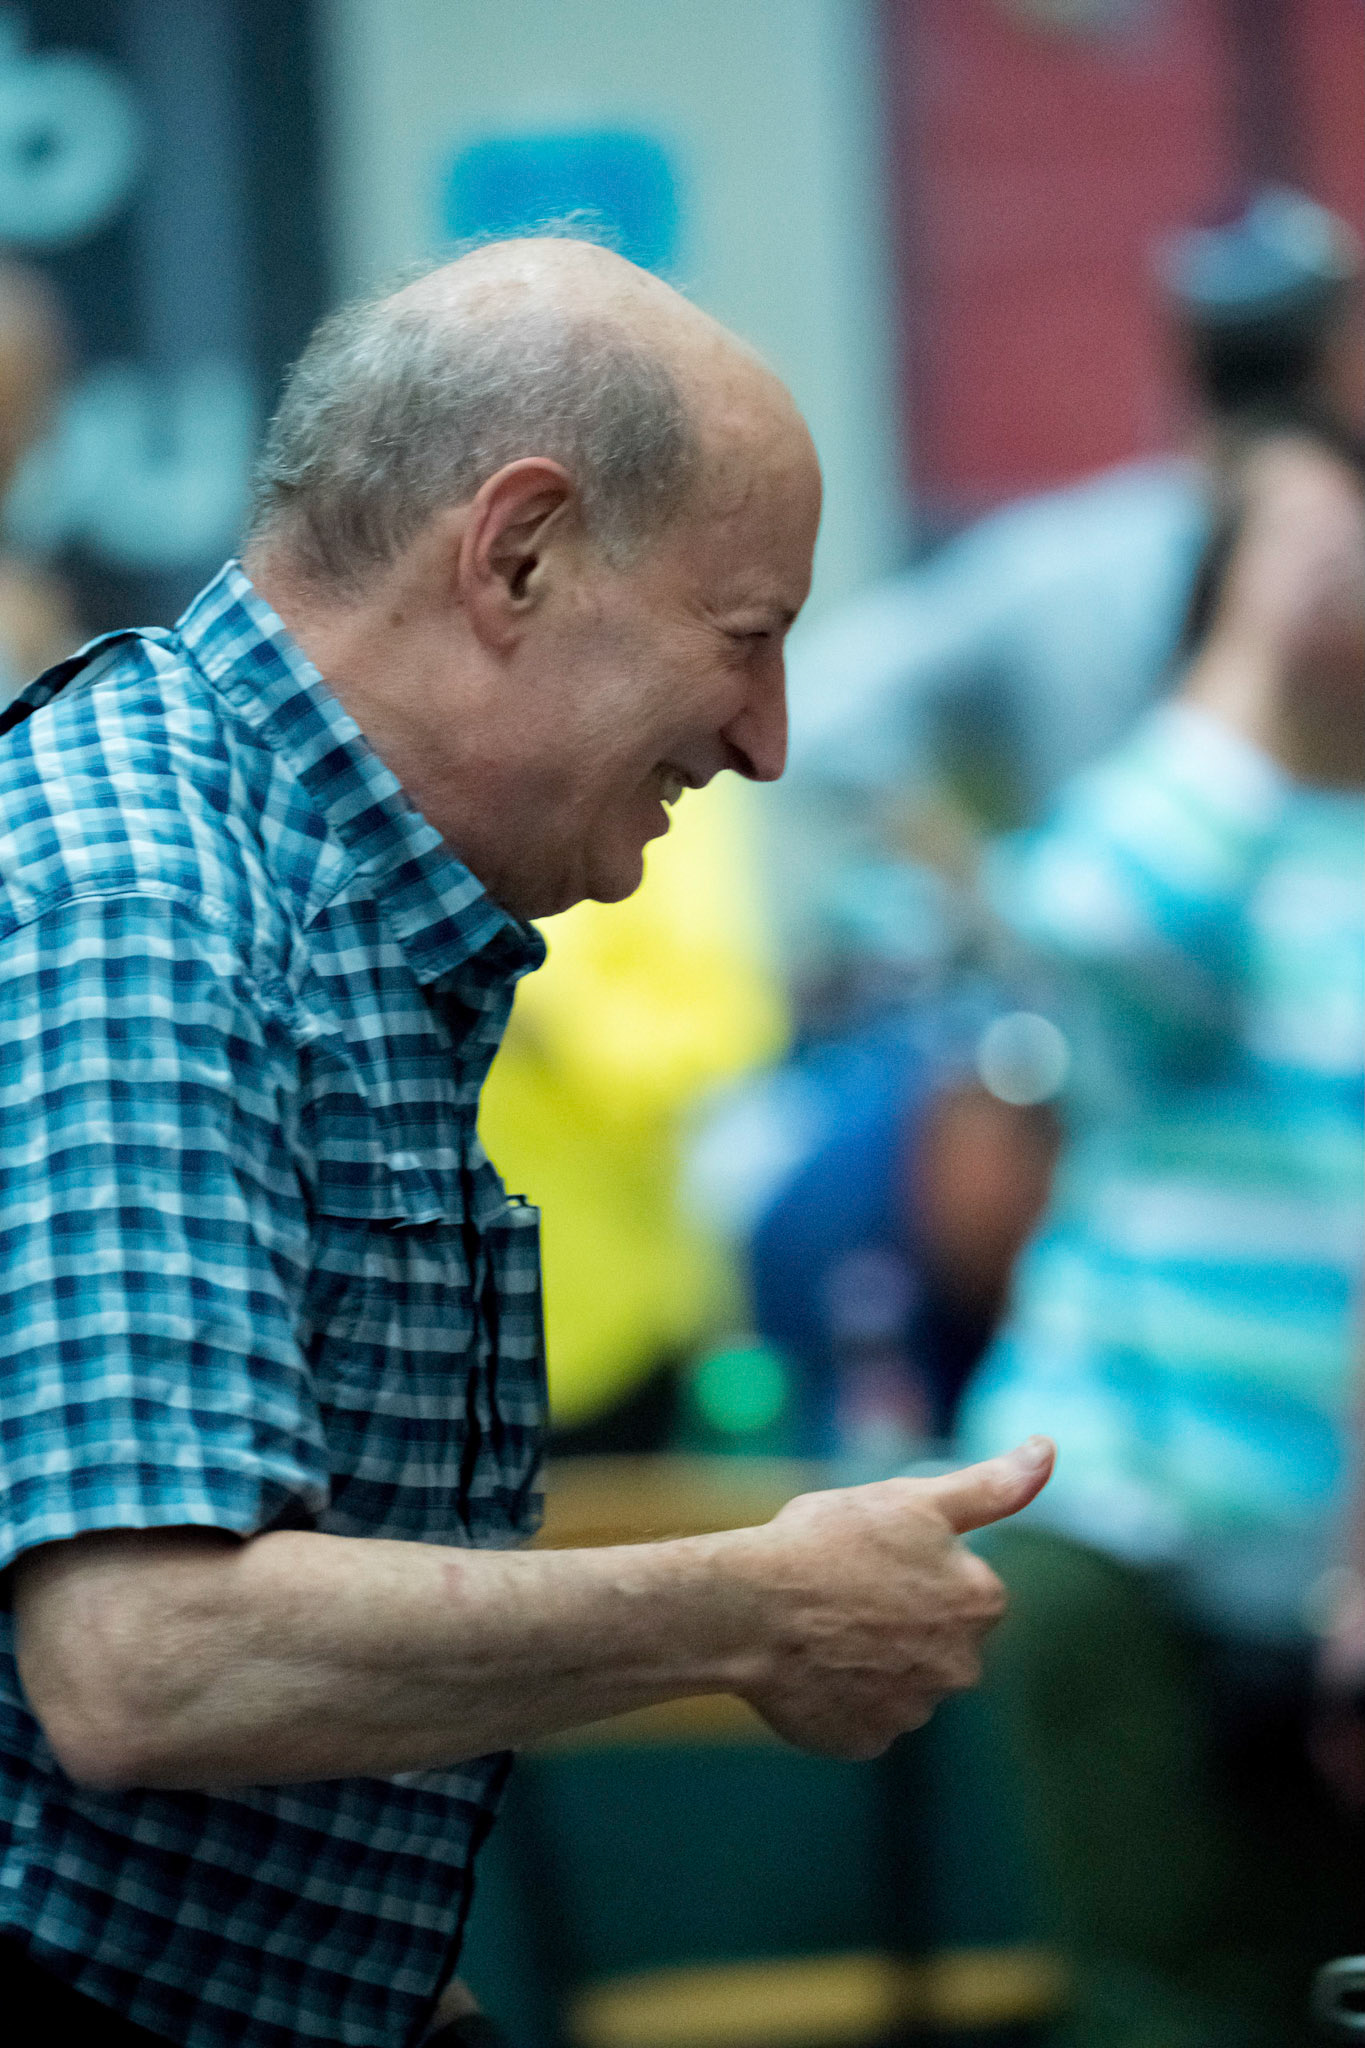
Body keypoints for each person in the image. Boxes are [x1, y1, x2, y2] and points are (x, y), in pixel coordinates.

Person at [0, 237, 1055, 2048]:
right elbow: (145, 1661)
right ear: (516, 552)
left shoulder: (300, 885)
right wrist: (742, 1611)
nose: (767, 740)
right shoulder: (139, 895)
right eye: (746, 640)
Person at [959, 415, 1365, 2046]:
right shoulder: (1192, 821)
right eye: (1301, 546)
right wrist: (1258, 661)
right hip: (1126, 1521)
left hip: (1333, 1552)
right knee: (1169, 2007)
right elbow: (1083, 924)